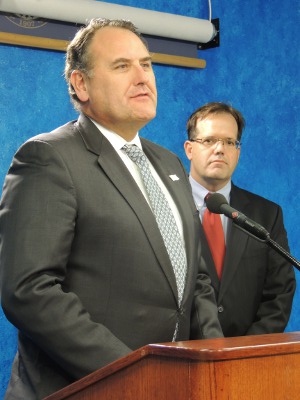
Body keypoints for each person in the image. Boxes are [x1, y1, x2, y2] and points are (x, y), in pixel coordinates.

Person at [0, 19, 223, 399]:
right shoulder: (48, 158)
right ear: (80, 84)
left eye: (146, 63)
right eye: (122, 66)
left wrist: (217, 365)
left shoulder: (169, 164)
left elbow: (195, 281)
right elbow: (29, 290)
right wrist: (133, 373)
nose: (142, 77)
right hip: (85, 389)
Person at [184, 102, 296, 337]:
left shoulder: (266, 214)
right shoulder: (165, 207)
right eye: (209, 140)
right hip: (180, 357)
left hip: (247, 359)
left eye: (229, 142)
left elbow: (279, 293)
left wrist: (244, 352)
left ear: (238, 152)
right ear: (189, 149)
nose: (219, 149)